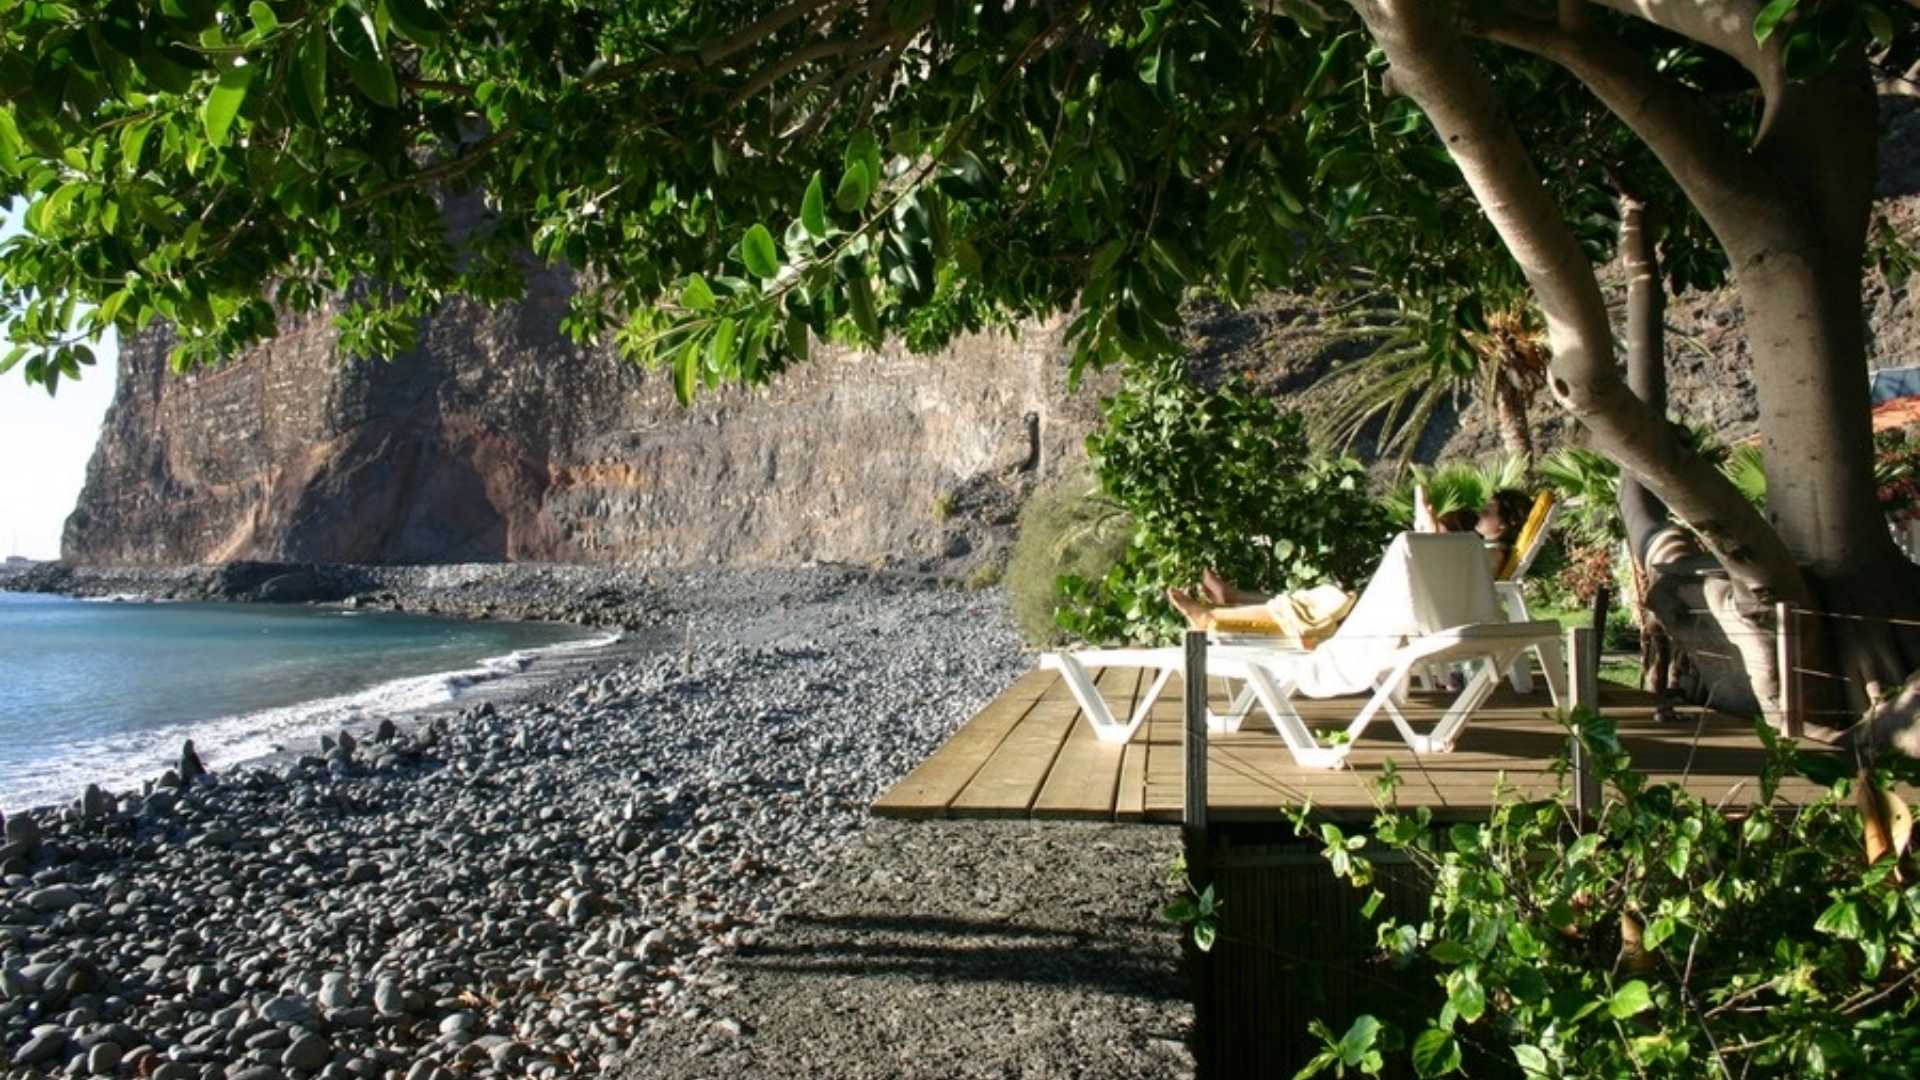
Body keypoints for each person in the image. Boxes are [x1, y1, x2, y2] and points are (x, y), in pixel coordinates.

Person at [1168, 487, 1537, 632]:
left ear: (1504, 523)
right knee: (1322, 600)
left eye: (1488, 511)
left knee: (1322, 607)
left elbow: (1456, 580)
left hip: (1415, 616)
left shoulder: (1491, 554)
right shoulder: (1472, 548)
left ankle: (1217, 615)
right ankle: (1231, 601)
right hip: (1407, 605)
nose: (1479, 515)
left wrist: (1429, 523)